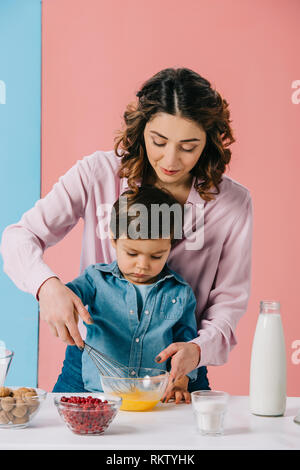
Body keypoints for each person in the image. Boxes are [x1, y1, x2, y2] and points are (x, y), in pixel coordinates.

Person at [0, 67, 253, 401]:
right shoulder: (97, 174)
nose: (171, 159)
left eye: (188, 146)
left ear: (209, 140)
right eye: (159, 142)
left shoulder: (232, 204)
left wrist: (196, 350)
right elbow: (20, 236)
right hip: (91, 366)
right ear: (141, 129)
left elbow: (228, 304)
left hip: (180, 369)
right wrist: (46, 287)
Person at [57, 185, 202, 403]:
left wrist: (182, 379)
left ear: (170, 247)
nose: (142, 265)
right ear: (114, 240)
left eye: (156, 255)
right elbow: (66, 296)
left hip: (152, 398)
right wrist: (60, 300)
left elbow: (185, 341)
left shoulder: (180, 292)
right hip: (97, 393)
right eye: (132, 253)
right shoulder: (95, 279)